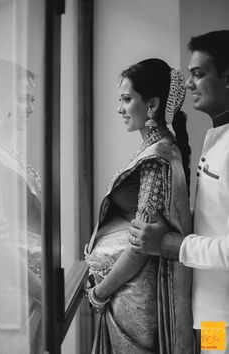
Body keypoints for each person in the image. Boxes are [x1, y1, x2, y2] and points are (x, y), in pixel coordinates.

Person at [129, 30, 229, 354]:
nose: (187, 84)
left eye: (198, 74)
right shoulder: (216, 137)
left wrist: (171, 245)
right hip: (211, 315)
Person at [85, 58, 194, 353]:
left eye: (126, 99)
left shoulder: (156, 158)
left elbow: (142, 245)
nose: (119, 109)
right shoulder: (154, 147)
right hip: (130, 294)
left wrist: (100, 292)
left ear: (152, 104)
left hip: (135, 300)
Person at [0, 59, 42, 354]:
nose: (32, 109)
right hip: (8, 298)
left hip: (26, 293)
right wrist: (42, 291)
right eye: (24, 99)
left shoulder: (8, 151)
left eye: (33, 100)